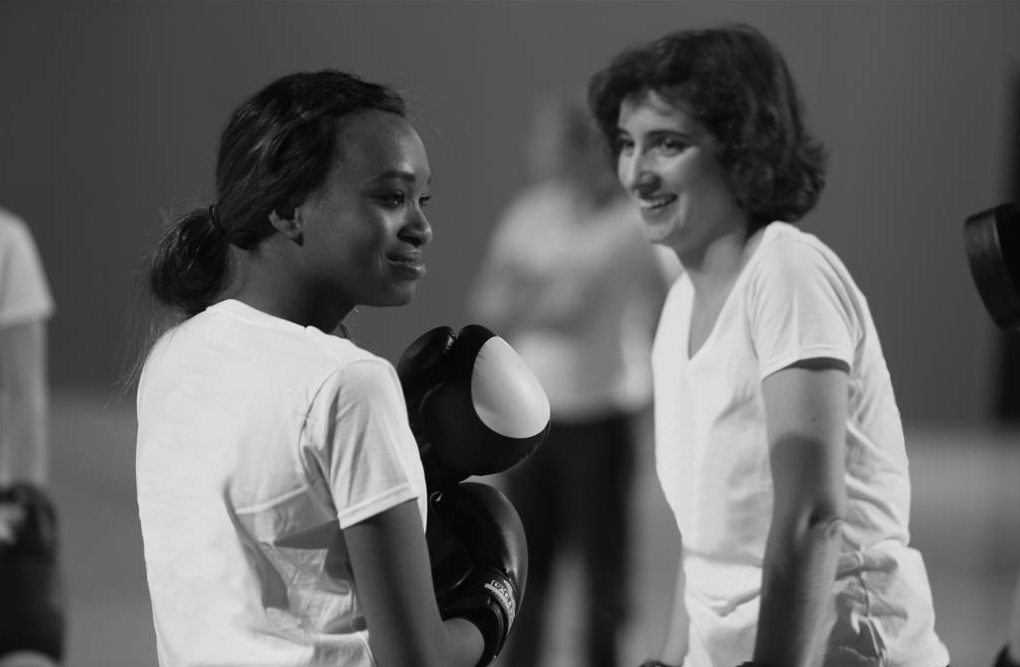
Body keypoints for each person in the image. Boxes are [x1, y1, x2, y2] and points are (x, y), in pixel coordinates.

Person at [132, 69, 529, 667]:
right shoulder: (348, 383)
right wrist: (492, 599)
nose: (421, 227)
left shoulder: (174, 353)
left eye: (422, 199)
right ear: (289, 208)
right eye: (392, 197)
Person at [587, 24, 950, 667]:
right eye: (626, 145)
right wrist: (668, 660)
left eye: (667, 144)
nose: (637, 174)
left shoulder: (787, 272)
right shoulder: (678, 305)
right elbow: (707, 544)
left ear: (740, 148)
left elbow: (812, 518)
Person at [467, 92, 675, 667]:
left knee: (605, 572)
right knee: (523, 566)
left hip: (604, 415)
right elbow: (490, 298)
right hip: (532, 422)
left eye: (548, 139)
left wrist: (539, 292)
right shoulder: (530, 213)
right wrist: (550, 297)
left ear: (585, 148)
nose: (535, 150)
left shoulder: (635, 223)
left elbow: (666, 304)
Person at [0, 207, 65, 667]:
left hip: (3, 524)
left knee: (31, 651)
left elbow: (25, 393)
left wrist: (23, 505)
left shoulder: (7, 241)